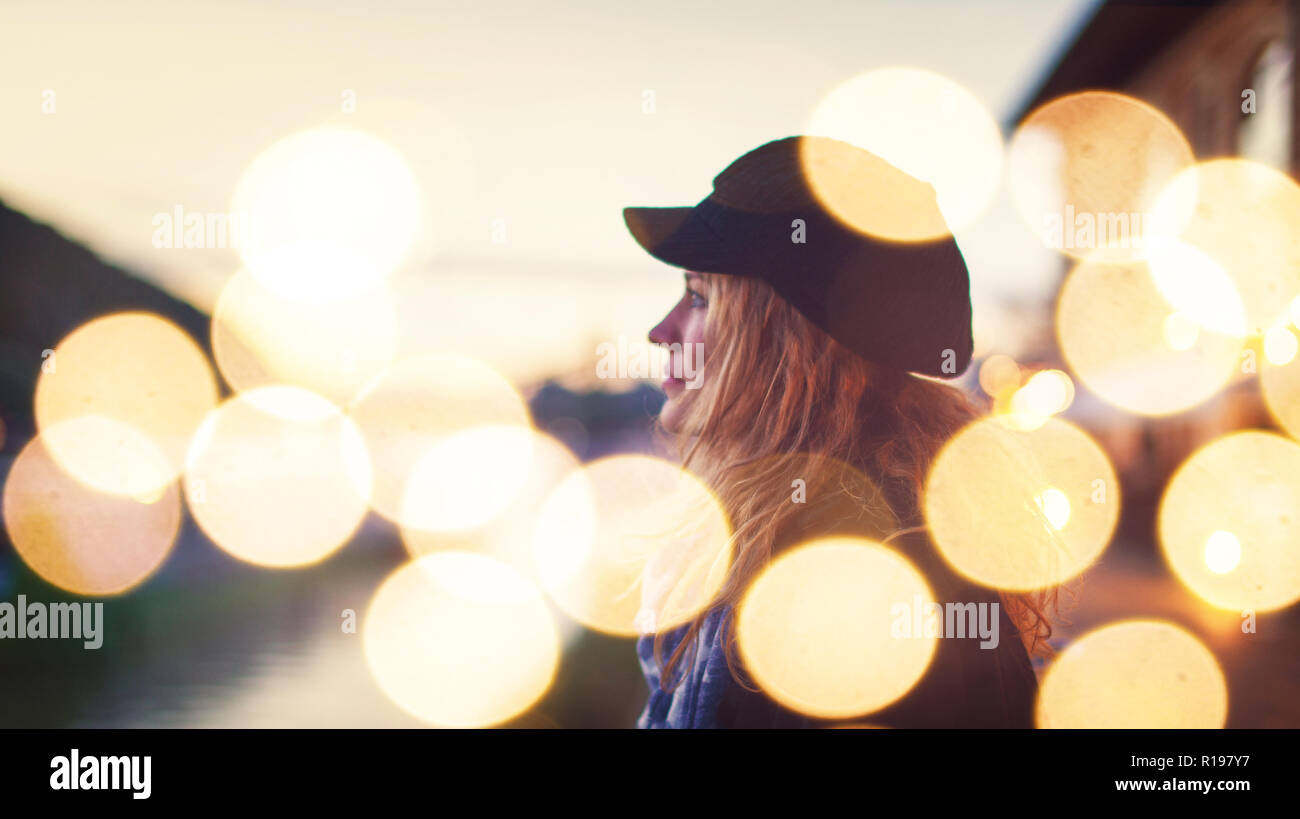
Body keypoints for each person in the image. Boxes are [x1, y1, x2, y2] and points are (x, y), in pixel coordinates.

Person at [622, 135, 1056, 728]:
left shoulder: (855, 583)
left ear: (785, 341)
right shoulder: (777, 540)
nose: (661, 330)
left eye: (699, 297)